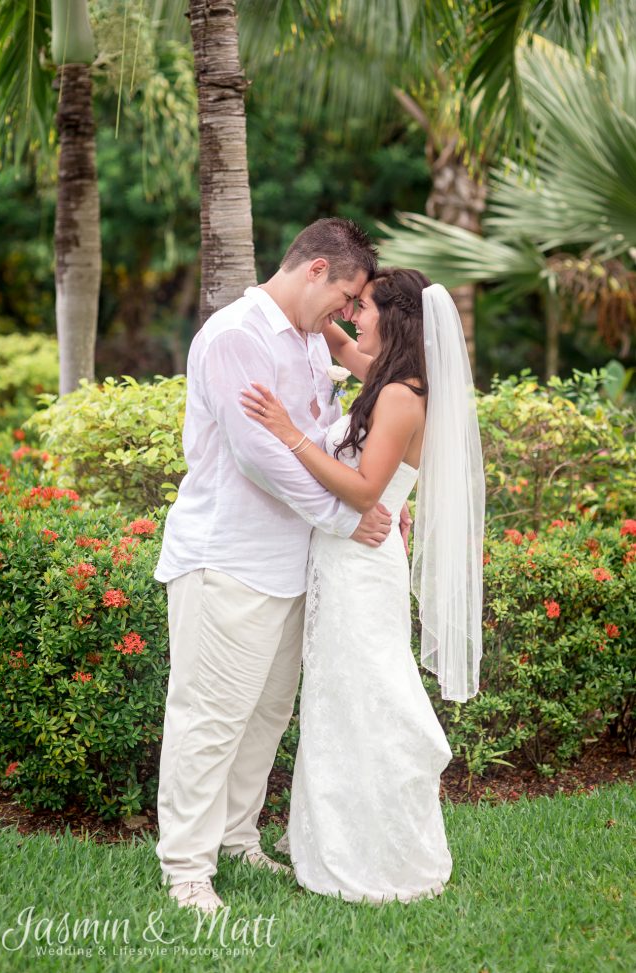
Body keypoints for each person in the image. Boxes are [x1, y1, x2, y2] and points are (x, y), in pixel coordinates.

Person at [153, 218, 407, 914]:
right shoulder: (237, 337)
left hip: (290, 565)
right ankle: (186, 868)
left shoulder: (303, 338)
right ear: (318, 269)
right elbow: (256, 454)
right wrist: (344, 517)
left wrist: (374, 493)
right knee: (209, 717)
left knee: (264, 716)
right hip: (226, 558)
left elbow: (323, 436)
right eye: (349, 298)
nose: (351, 316)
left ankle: (237, 839)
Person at [240, 267, 485, 903]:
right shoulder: (385, 375)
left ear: (397, 318)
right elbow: (337, 340)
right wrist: (289, 301)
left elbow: (364, 490)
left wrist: (288, 432)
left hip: (362, 567)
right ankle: (334, 838)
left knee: (366, 695)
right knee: (335, 697)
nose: (355, 317)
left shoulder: (403, 394)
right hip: (342, 563)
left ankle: (379, 855)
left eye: (365, 307)